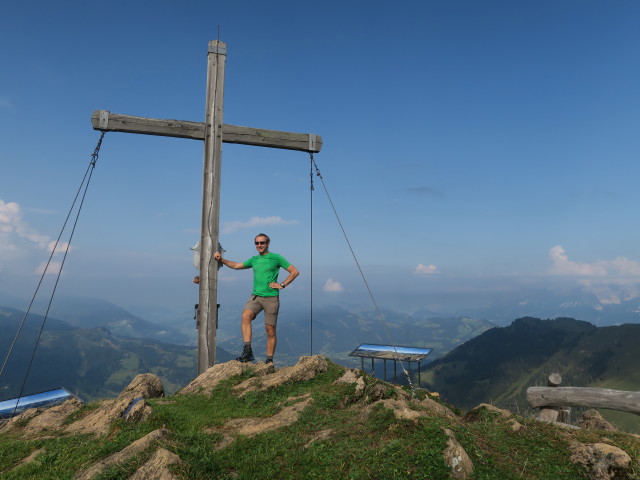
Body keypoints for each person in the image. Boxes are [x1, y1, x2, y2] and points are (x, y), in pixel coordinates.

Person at [213, 233, 299, 364]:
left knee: (270, 331)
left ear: (268, 243)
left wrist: (282, 285)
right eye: (257, 243)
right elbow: (236, 266)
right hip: (256, 297)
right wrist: (221, 260)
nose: (259, 245)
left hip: (271, 299)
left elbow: (294, 271)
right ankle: (247, 351)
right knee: (245, 316)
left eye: (262, 243)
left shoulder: (276, 258)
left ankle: (269, 361)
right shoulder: (254, 260)